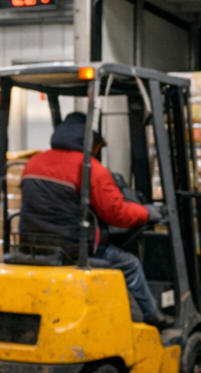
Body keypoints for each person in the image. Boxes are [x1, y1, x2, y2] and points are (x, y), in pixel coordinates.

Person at [19, 112, 170, 328]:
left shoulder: (34, 162)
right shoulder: (89, 168)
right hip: (72, 249)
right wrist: (148, 213)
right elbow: (116, 213)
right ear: (90, 141)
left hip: (34, 246)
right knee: (130, 263)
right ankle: (153, 316)